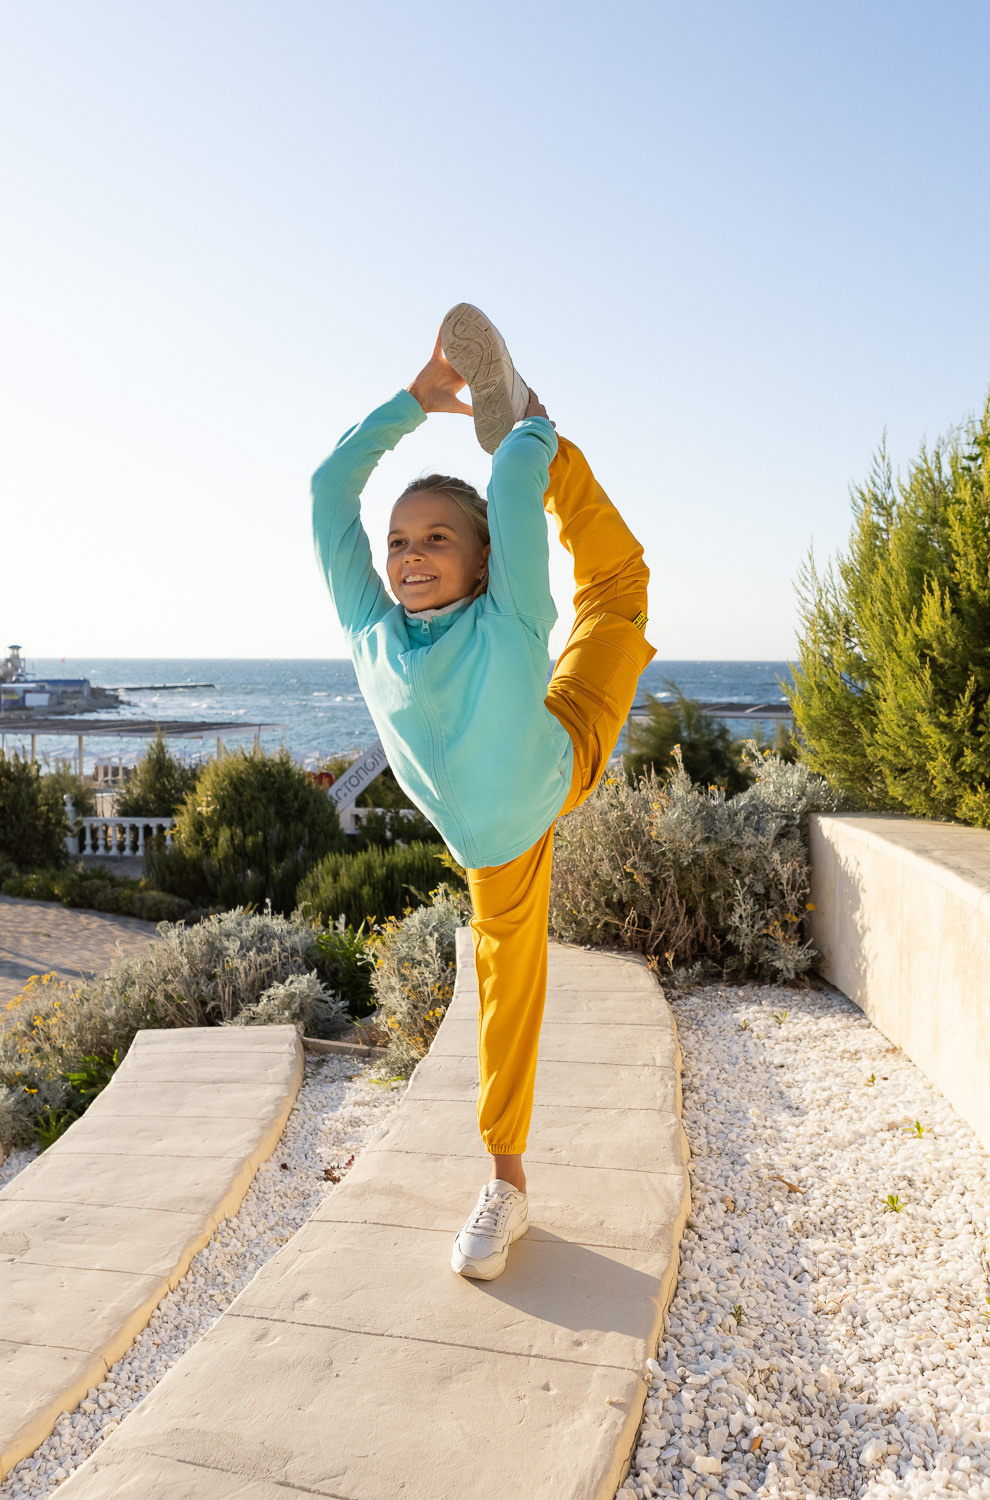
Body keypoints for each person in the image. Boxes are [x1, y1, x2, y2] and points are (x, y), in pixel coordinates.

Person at [312, 303, 655, 1280]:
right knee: (505, 995)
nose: (411, 555)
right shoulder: (369, 627)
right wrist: (411, 404)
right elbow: (325, 489)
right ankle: (506, 1182)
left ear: (483, 557)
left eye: (436, 539)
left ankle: (547, 423)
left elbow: (505, 488)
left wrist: (527, 434)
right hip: (496, 849)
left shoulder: (509, 612)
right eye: (398, 542)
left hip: (562, 751)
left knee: (615, 587)